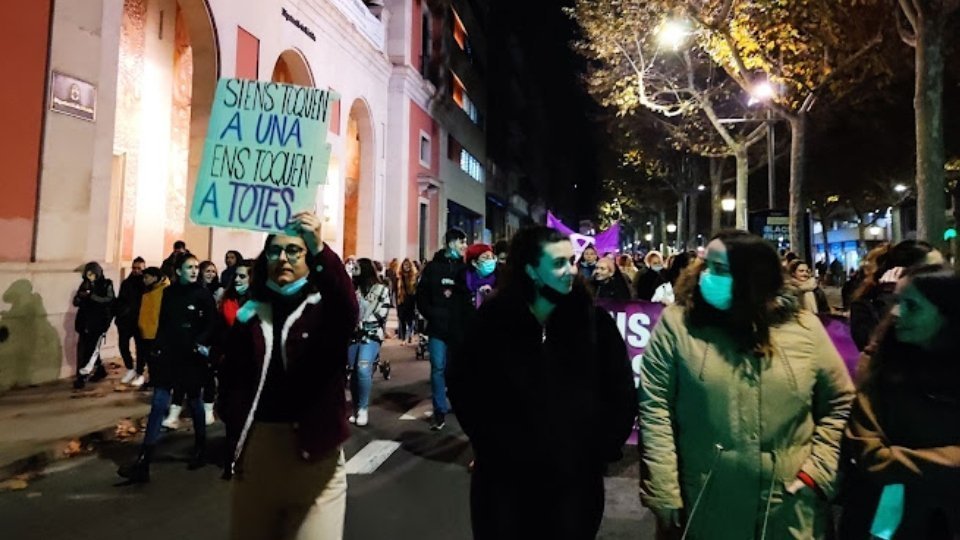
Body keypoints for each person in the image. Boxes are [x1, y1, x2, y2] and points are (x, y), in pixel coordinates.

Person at [639, 230, 854, 539]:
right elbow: (655, 408)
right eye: (706, 265)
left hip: (788, 506)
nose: (707, 277)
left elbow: (840, 402)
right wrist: (663, 489)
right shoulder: (678, 325)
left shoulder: (804, 328)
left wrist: (818, 471)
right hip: (705, 501)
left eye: (721, 270)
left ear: (753, 278)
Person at [448, 226, 637, 539]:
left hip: (574, 488)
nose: (571, 270)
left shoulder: (595, 324)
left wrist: (598, 451)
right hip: (503, 487)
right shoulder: (491, 323)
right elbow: (464, 385)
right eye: (559, 263)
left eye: (572, 261)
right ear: (532, 270)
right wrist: (490, 444)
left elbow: (620, 392)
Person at [218, 211, 357, 539]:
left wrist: (320, 248)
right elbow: (232, 378)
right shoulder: (250, 314)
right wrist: (233, 424)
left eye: (294, 250)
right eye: (275, 251)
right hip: (257, 458)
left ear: (309, 258)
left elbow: (346, 306)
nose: (283, 258)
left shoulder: (324, 310)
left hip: (315, 458)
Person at [840, 267, 960, 539]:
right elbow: (872, 456)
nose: (895, 313)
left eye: (911, 305)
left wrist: (903, 460)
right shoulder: (880, 368)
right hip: (889, 522)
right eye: (895, 301)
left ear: (947, 314)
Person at [117, 253, 216, 483]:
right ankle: (144, 460)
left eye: (195, 267)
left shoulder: (203, 295)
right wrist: (157, 348)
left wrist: (198, 342)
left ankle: (200, 447)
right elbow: (164, 323)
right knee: (159, 402)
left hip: (191, 357)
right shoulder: (169, 293)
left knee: (193, 400)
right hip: (169, 356)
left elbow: (211, 324)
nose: (193, 271)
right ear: (178, 271)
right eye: (189, 267)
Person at [417, 227, 471, 431]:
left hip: (458, 330)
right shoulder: (432, 268)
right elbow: (421, 296)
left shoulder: (465, 269)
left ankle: (456, 401)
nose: (464, 246)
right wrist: (432, 314)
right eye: (461, 242)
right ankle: (439, 411)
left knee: (453, 369)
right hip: (437, 329)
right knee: (437, 367)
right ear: (450, 243)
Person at [850, 240, 943, 351]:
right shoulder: (865, 306)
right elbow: (875, 347)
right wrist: (892, 298)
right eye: (932, 270)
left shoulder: (942, 300)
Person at [347, 258, 391, 427]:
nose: (354, 270)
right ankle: (356, 407)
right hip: (352, 336)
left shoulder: (381, 289)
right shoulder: (351, 288)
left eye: (357, 267)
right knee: (353, 372)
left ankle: (363, 408)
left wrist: (364, 324)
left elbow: (382, 313)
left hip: (371, 335)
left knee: (363, 368)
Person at [72, 262, 115, 389]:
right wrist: (80, 297)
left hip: (99, 322)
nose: (90, 276)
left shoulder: (107, 284)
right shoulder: (84, 284)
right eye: (88, 273)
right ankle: (100, 370)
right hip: (84, 321)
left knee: (91, 350)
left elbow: (109, 299)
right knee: (86, 348)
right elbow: (76, 301)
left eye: (92, 273)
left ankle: (82, 376)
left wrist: (92, 296)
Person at [115, 257, 147, 386]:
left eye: (139, 268)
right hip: (125, 320)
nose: (136, 271)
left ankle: (140, 373)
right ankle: (130, 368)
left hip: (140, 321)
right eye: (134, 268)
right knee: (123, 345)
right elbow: (120, 300)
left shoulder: (146, 285)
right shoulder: (126, 283)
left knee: (140, 348)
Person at [137, 267, 170, 385]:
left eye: (146, 277)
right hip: (146, 330)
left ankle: (158, 380)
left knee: (157, 359)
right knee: (149, 359)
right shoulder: (148, 290)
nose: (144, 280)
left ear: (155, 278)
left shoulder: (165, 290)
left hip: (157, 331)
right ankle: (152, 378)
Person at [464, 243, 499, 309]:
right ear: (474, 262)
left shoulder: (500, 279)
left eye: (492, 257)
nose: (490, 261)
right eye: (485, 258)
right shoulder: (463, 280)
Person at [396, 259, 419, 343]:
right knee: (401, 318)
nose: (406, 267)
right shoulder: (399, 276)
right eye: (405, 265)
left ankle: (409, 335)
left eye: (408, 265)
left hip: (411, 299)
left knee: (410, 319)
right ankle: (403, 338)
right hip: (401, 299)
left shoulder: (414, 276)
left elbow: (416, 289)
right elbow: (396, 289)